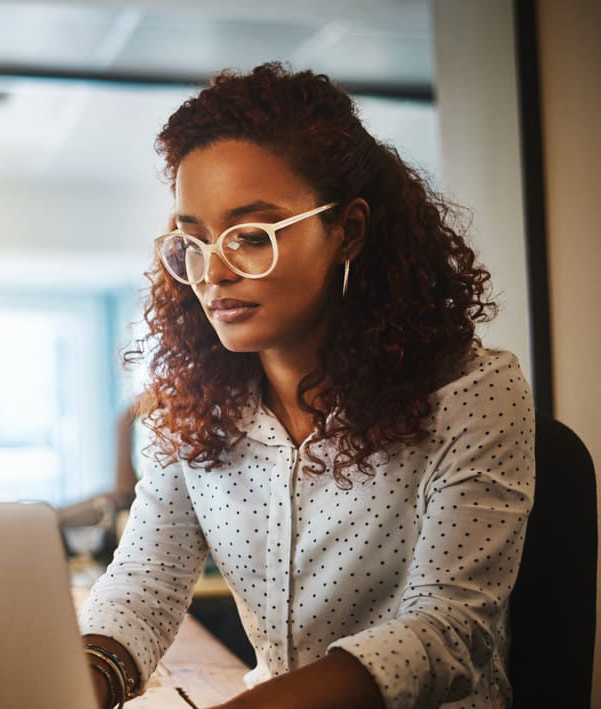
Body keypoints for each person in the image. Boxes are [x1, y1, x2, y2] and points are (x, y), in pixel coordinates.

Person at [78, 63, 533, 709]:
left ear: (345, 230)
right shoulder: (193, 407)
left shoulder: (471, 392)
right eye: (194, 241)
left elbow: (447, 631)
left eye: (251, 235)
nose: (215, 271)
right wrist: (76, 681)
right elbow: (144, 585)